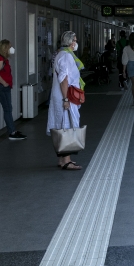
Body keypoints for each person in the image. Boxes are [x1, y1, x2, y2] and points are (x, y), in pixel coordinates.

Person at [47, 31, 84, 171]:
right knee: (67, 126)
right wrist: (66, 99)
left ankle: (62, 159)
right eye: (75, 40)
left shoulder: (60, 54)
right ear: (69, 42)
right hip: (66, 96)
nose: (76, 42)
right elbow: (64, 80)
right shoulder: (66, 57)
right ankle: (67, 161)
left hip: (60, 96)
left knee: (61, 126)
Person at [0, 39, 26, 140]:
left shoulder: (3, 59)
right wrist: (4, 83)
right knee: (7, 109)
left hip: (4, 87)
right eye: (10, 47)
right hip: (1, 87)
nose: (12, 48)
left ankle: (12, 130)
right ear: (5, 48)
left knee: (8, 108)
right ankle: (12, 132)